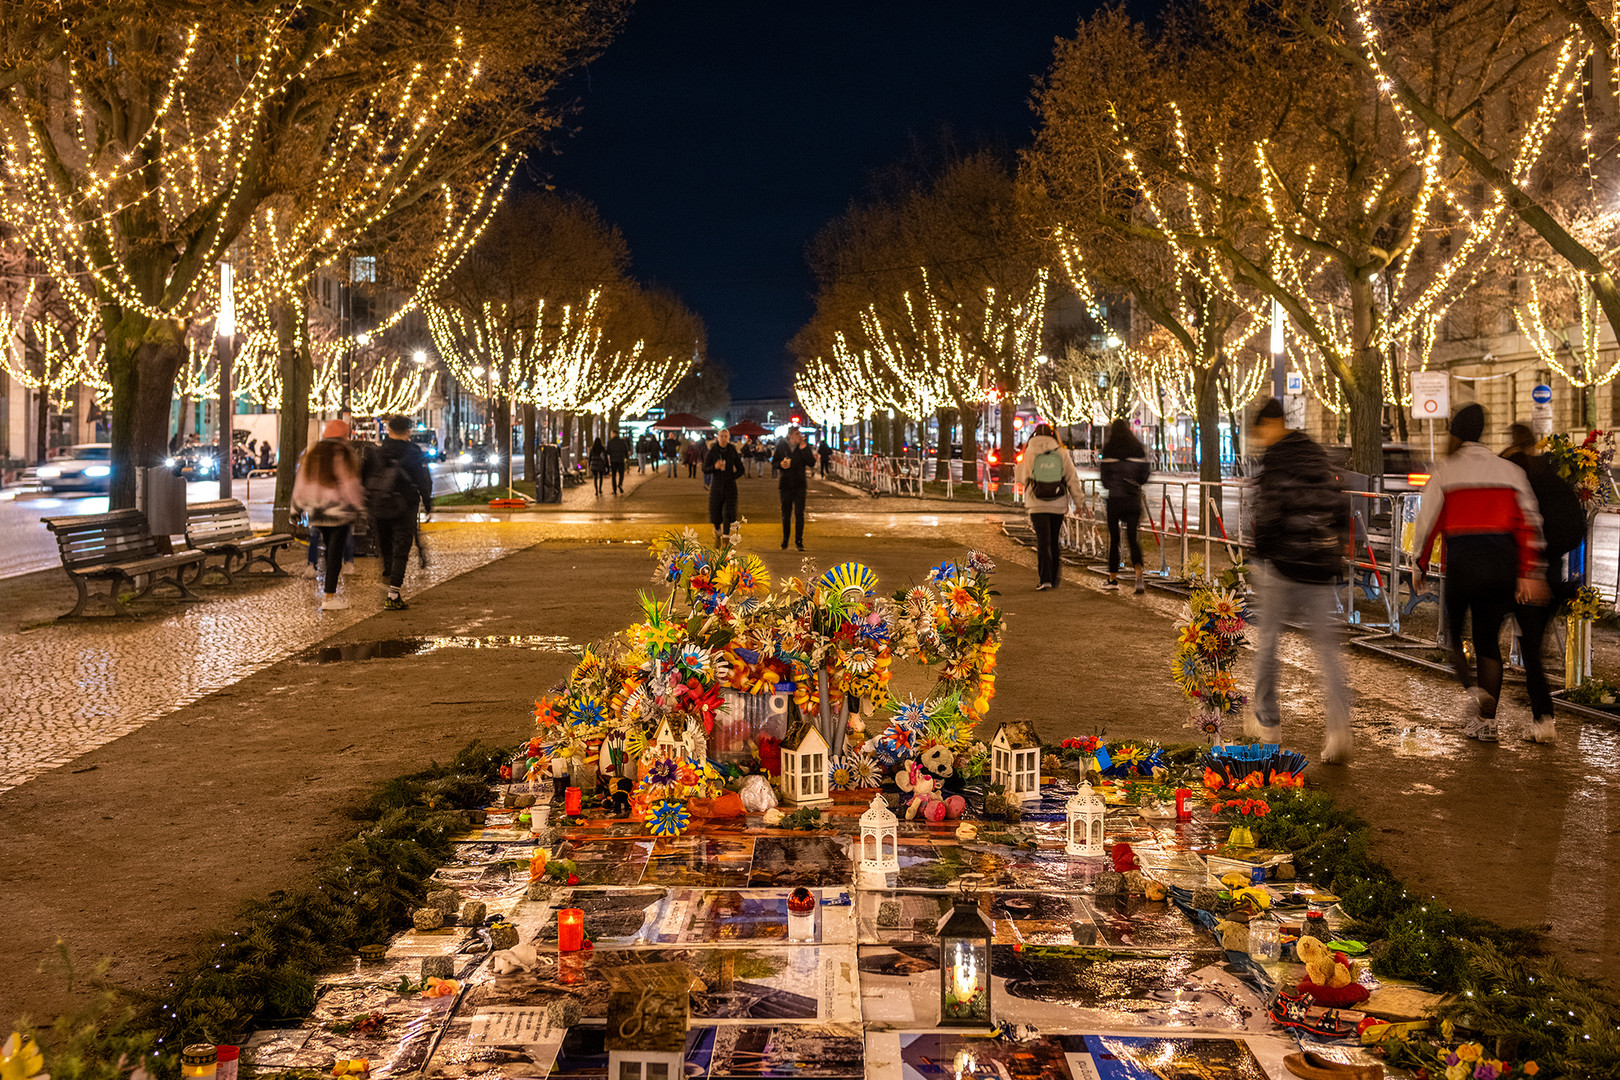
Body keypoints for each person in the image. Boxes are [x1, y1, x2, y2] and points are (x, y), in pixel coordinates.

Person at [1412, 403, 1548, 742]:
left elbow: (1427, 522)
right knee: (1488, 644)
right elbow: (1529, 522)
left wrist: (1419, 563)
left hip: (1463, 565)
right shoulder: (1509, 471)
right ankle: (1487, 723)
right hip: (1501, 566)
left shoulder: (1445, 472)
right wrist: (1531, 569)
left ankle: (1474, 691)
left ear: (1455, 433)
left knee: (1454, 636)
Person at [1246, 398, 1355, 762]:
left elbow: (1269, 511)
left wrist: (1260, 554)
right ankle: (1339, 731)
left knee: (1268, 645)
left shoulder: (1277, 460)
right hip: (1321, 568)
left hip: (1284, 564)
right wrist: (1334, 552)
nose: (1260, 439)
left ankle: (1269, 722)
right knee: (1328, 654)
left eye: (1260, 431)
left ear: (1270, 425)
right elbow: (1340, 508)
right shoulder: (1317, 456)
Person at [1502, 423, 1582, 744]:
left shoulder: (1510, 471)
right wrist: (1552, 553)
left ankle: (1486, 715)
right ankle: (1542, 718)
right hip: (1548, 574)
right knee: (1532, 649)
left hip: (1514, 570)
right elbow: (1576, 525)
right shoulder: (1552, 477)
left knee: (1488, 637)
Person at [362, 414, 434, 610]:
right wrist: (427, 504)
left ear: (389, 430)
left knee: (385, 545)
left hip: (380, 506)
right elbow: (424, 480)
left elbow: (364, 478)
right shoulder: (414, 452)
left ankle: (387, 574)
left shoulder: (377, 451)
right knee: (402, 547)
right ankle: (393, 594)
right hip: (405, 505)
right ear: (408, 431)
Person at [292, 420, 365, 611]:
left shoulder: (312, 453)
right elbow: (349, 483)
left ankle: (329, 594)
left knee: (328, 552)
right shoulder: (341, 453)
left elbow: (301, 482)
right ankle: (329, 597)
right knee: (334, 555)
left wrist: (296, 508)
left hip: (317, 512)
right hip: (338, 513)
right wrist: (359, 506)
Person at [1013, 423, 1083, 590]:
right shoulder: (1061, 452)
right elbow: (1072, 478)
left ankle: (1044, 579)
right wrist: (1078, 501)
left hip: (1036, 503)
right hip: (1057, 502)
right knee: (1054, 539)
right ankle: (1054, 577)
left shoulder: (1028, 452)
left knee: (1043, 541)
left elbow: (1021, 478)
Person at [1098, 419, 1151, 592]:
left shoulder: (1109, 449)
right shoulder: (1137, 448)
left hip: (1115, 500)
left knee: (1114, 540)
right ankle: (1138, 576)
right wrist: (1135, 484)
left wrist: (1113, 486)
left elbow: (1104, 478)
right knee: (1133, 539)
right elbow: (1145, 475)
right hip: (1133, 499)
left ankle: (1113, 579)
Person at [774, 425, 817, 550]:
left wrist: (804, 449)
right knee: (786, 514)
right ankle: (785, 540)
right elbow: (774, 462)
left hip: (799, 485)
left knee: (799, 514)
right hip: (785, 485)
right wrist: (781, 464)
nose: (800, 436)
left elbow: (811, 463)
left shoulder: (803, 447)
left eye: (799, 434)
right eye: (797, 434)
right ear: (790, 436)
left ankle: (799, 541)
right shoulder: (782, 446)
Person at [705, 427, 746, 546]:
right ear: (717, 438)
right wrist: (715, 467)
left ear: (728, 438)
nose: (723, 439)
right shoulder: (713, 450)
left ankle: (726, 540)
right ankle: (717, 533)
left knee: (727, 513)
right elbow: (705, 469)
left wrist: (732, 476)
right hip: (716, 486)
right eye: (721, 436)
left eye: (725, 436)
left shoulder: (732, 450)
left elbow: (741, 469)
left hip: (730, 487)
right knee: (716, 515)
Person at [606, 429, 631, 493]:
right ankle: (620, 484)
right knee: (621, 474)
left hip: (613, 460)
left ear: (614, 434)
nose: (611, 435)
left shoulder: (610, 442)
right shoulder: (622, 442)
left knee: (614, 475)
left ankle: (614, 490)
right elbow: (626, 450)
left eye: (611, 434)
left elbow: (608, 452)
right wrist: (626, 457)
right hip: (620, 459)